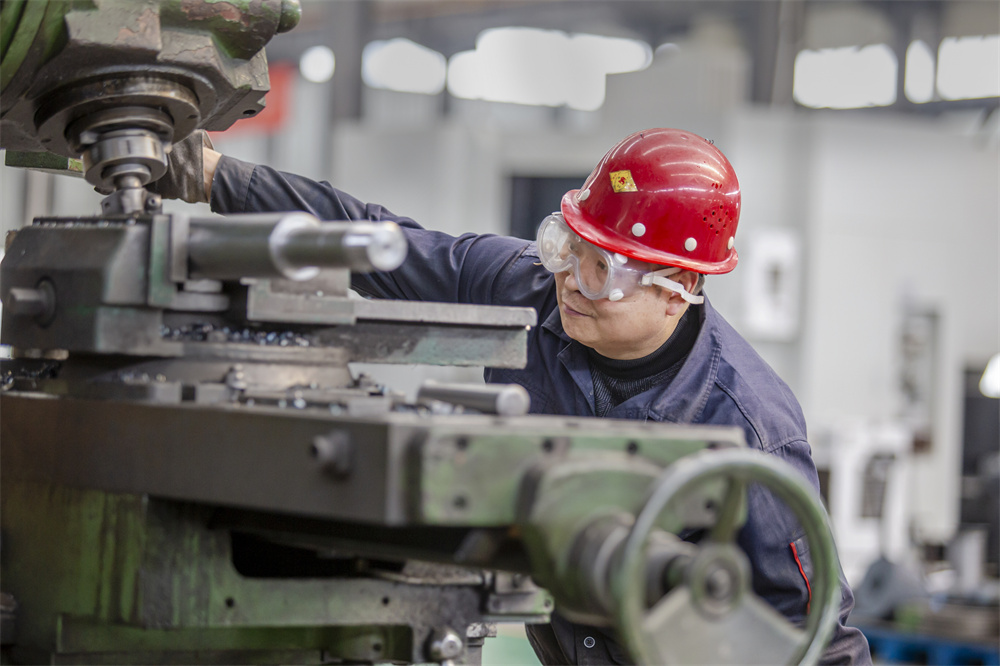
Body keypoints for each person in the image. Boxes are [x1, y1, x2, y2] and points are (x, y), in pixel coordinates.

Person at [156, 127, 872, 664]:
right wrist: (220, 177)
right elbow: (380, 240)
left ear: (677, 292)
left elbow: (817, 639)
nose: (569, 282)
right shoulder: (525, 290)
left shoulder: (750, 428)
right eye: (569, 248)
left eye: (602, 273)